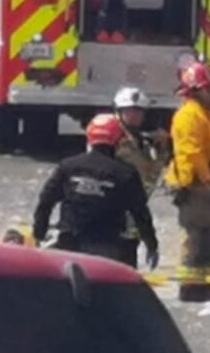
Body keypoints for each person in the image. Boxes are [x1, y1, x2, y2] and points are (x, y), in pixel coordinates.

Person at [33, 114, 160, 269]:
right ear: (118, 140)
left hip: (69, 244)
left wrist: (39, 234)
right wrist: (151, 246)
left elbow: (45, 202)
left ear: (89, 137)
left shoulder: (67, 166)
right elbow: (141, 214)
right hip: (108, 247)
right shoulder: (125, 173)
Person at [167, 61, 210, 303]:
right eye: (208, 89)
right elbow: (192, 153)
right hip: (195, 185)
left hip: (201, 185)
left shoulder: (201, 113)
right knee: (196, 236)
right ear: (195, 90)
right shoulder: (189, 116)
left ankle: (207, 286)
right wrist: (207, 180)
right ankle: (191, 287)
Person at [112, 86, 169, 263]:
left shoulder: (141, 142)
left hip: (134, 211)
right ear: (119, 112)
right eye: (129, 111)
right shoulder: (116, 139)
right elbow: (145, 170)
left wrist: (162, 149)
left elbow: (151, 175)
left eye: (138, 112)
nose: (135, 116)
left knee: (129, 253)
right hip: (115, 213)